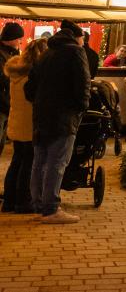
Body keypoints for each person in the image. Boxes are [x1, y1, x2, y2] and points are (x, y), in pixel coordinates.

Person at [24, 20, 90, 223]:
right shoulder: (76, 53)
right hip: (64, 116)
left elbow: (29, 88)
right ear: (78, 37)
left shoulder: (46, 54)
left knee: (40, 162)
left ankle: (38, 205)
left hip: (41, 116)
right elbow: (83, 84)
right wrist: (81, 107)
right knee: (57, 162)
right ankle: (51, 209)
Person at [2, 37, 48, 213]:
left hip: (16, 122)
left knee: (17, 161)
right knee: (27, 163)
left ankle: (9, 201)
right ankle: (22, 202)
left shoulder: (17, 71)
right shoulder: (32, 74)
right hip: (29, 124)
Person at [0, 21, 24, 153]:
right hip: (2, 103)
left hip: (7, 104)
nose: (21, 41)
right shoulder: (2, 54)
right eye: (19, 38)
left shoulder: (13, 53)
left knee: (2, 142)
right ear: (11, 39)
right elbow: (4, 78)